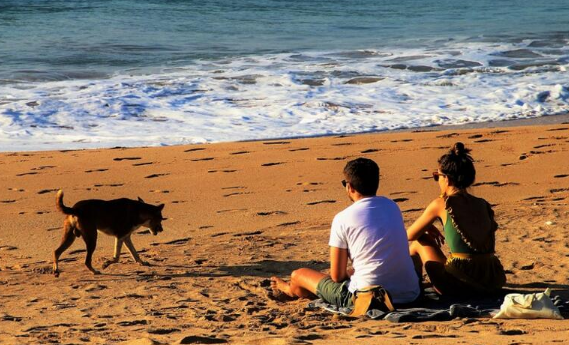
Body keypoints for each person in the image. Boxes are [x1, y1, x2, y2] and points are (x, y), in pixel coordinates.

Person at [271, 158, 420, 308]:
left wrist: (350, 273)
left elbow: (337, 276)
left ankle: (289, 289)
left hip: (368, 298)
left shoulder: (342, 218)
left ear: (350, 187)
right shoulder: (392, 206)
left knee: (298, 275)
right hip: (409, 293)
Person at [407, 142, 506, 296]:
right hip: (492, 280)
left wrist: (426, 229)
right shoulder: (483, 204)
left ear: (446, 179)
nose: (437, 181)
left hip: (460, 285)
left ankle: (414, 290)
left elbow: (409, 235)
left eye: (437, 176)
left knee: (419, 242)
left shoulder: (441, 204)